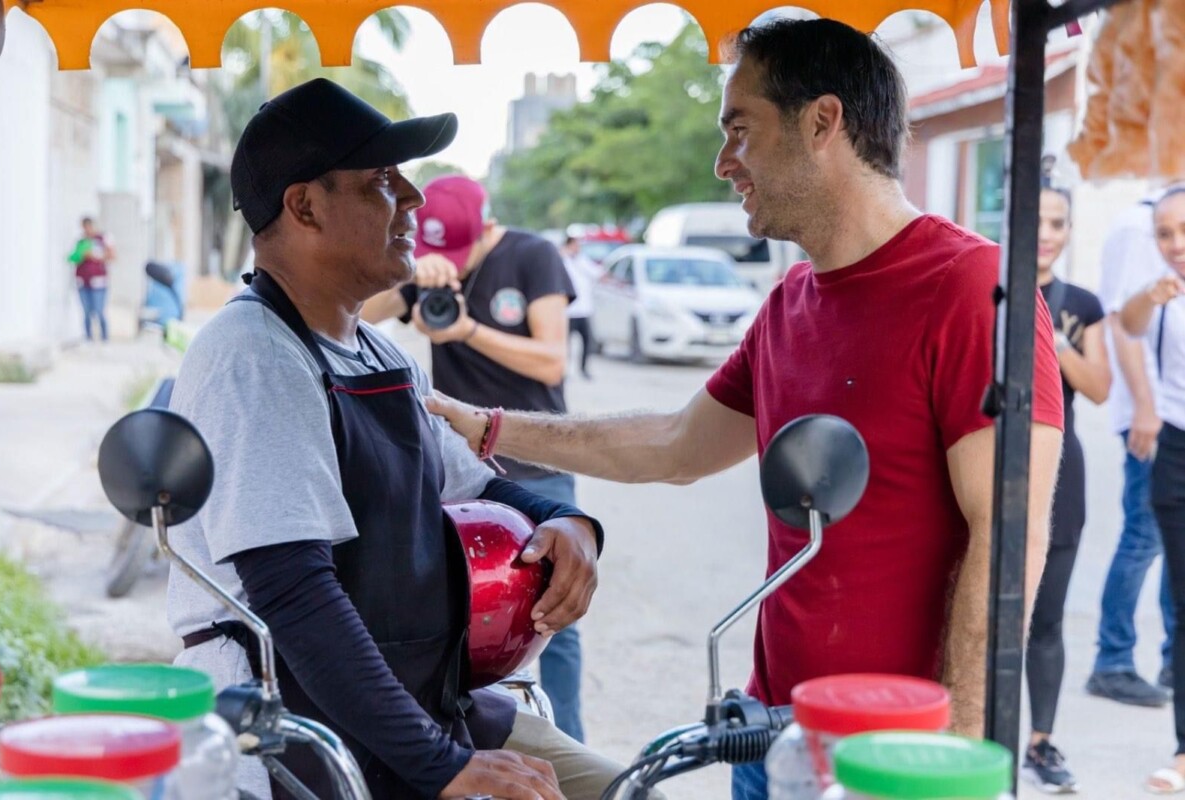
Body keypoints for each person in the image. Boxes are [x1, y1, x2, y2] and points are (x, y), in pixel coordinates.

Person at [425, 18, 1065, 800]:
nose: (722, 163)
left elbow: (1007, 537)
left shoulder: (969, 286)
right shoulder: (791, 301)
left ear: (821, 122)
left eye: (739, 131)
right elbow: (673, 444)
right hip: (774, 734)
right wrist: (484, 426)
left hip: (894, 756)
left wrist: (953, 755)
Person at [164, 78, 626, 800]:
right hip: (294, 727)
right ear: (304, 206)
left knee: (627, 788)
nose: (413, 199)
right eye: (382, 180)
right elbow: (295, 597)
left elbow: (476, 485)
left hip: (424, 701)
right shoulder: (252, 356)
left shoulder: (380, 352)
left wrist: (566, 521)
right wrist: (444, 766)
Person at [362, 176, 589, 744]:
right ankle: (477, 730)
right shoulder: (428, 268)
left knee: (554, 614)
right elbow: (355, 316)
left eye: (459, 251)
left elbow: (551, 360)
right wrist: (411, 278)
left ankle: (567, 739)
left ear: (487, 226)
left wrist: (467, 330)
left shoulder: (533, 256)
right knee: (468, 613)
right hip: (461, 478)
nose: (453, 264)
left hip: (536, 466)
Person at [1021, 187, 1110, 795]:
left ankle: (1040, 742)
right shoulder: (987, 291)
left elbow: (1100, 387)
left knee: (1046, 619)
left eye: (1058, 223)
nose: (1047, 233)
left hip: (1061, 472)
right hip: (991, 464)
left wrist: (1052, 340)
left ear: (1070, 231)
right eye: (1038, 220)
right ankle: (972, 734)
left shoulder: (1082, 304)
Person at [1086, 193, 1176, 709]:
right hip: (1151, 415)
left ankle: (1173, 659)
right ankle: (1112, 661)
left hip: (1172, 413)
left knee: (1173, 538)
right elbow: (1122, 322)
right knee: (1144, 534)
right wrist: (1144, 406)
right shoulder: (1136, 225)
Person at [1122, 188, 1185, 795]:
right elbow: (1130, 323)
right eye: (1165, 234)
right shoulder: (1161, 292)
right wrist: (1152, 293)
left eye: (1184, 230)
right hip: (1177, 455)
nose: (1176, 245)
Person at [561, 235, 602, 379]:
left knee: (587, 341)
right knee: (565, 343)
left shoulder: (583, 260)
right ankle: (564, 369)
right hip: (568, 311)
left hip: (584, 309)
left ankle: (583, 368)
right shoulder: (562, 260)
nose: (577, 248)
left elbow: (598, 273)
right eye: (575, 245)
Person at [67, 216, 113, 342]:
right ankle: (88, 338)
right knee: (86, 312)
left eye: (89, 227)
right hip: (83, 281)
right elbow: (74, 258)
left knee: (99, 311)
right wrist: (78, 256)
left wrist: (94, 255)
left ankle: (104, 337)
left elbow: (112, 255)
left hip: (98, 282)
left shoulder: (102, 239)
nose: (87, 230)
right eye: (84, 227)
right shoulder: (81, 242)